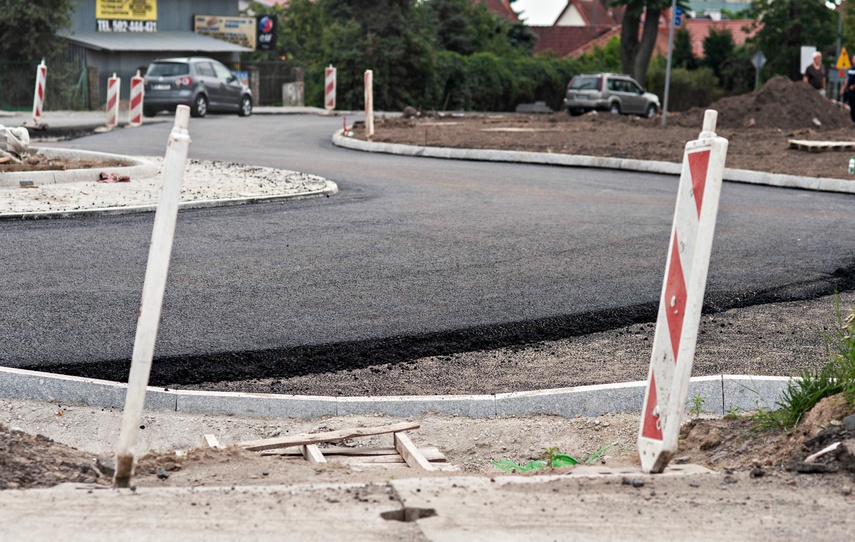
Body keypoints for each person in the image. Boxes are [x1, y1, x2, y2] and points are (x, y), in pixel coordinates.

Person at [841, 55, 855, 123]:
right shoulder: (850, 69)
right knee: (851, 106)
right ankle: (852, 120)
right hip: (850, 91)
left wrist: (854, 86)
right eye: (853, 59)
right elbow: (847, 79)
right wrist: (843, 89)